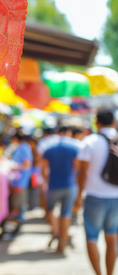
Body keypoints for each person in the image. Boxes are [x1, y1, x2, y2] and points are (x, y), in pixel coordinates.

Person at [77, 109, 118, 275]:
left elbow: (82, 173)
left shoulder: (90, 141)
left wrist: (79, 195)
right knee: (112, 238)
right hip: (116, 197)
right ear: (113, 122)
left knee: (92, 238)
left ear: (97, 122)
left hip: (94, 196)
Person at [42, 126, 80, 253]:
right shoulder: (74, 148)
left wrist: (47, 182)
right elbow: (77, 168)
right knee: (66, 213)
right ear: (69, 132)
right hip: (70, 185)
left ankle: (55, 230)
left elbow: (43, 170)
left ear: (58, 133)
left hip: (53, 185)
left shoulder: (49, 149)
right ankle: (62, 244)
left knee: (49, 210)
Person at [9, 131, 33, 222]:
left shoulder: (24, 147)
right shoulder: (21, 147)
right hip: (18, 179)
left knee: (18, 202)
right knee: (18, 201)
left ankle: (18, 221)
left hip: (21, 179)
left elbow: (27, 164)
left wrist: (14, 167)